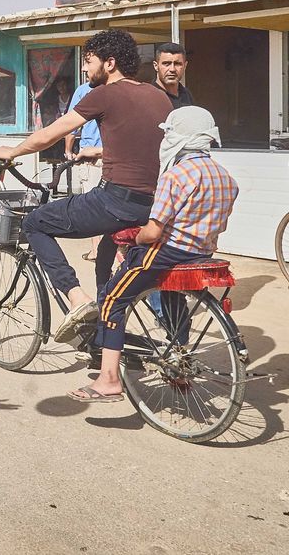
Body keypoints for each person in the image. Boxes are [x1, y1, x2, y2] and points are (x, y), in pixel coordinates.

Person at [0, 30, 171, 344]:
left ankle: (76, 298)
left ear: (110, 63)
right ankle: (105, 333)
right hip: (154, 204)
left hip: (117, 201)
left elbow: (51, 134)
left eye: (89, 62)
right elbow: (147, 145)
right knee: (104, 255)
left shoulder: (102, 94)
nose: (85, 70)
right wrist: (100, 151)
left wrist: (13, 151)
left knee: (35, 223)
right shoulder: (159, 96)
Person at [69, 106, 238, 402]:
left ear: (179, 137)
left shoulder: (176, 176)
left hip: (165, 252)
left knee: (112, 299)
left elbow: (153, 232)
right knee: (173, 299)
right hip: (200, 254)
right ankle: (180, 363)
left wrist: (132, 236)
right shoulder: (226, 178)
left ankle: (108, 380)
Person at [66, 73, 103, 264]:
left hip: (92, 157)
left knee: (92, 204)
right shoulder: (118, 89)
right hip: (112, 156)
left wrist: (67, 150)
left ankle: (97, 249)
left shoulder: (83, 91)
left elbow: (71, 126)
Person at [152, 42, 194, 108]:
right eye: (166, 64)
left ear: (185, 66)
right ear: (156, 66)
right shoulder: (148, 96)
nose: (172, 69)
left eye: (177, 64)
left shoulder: (186, 94)